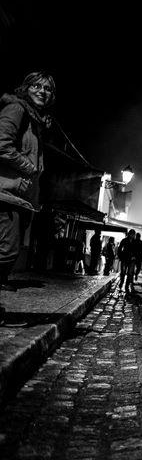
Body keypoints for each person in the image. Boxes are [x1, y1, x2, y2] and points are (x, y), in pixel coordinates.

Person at [0, 71, 56, 323]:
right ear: (26, 88)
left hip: (20, 197)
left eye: (48, 89)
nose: (43, 91)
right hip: (5, 192)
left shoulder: (36, 120)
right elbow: (1, 144)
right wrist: (28, 167)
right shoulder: (16, 109)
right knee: (7, 252)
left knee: (7, 253)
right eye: (37, 86)